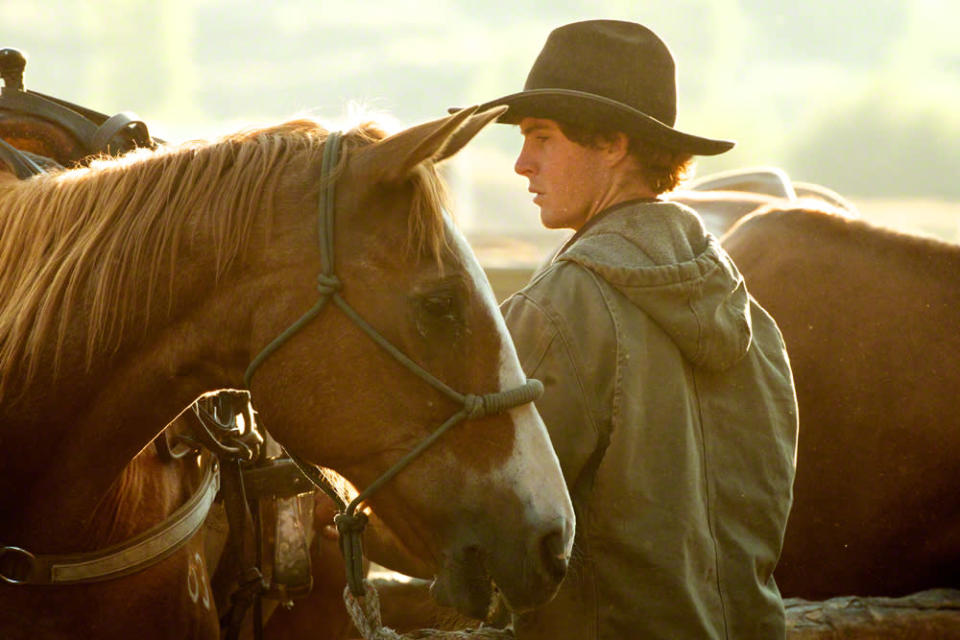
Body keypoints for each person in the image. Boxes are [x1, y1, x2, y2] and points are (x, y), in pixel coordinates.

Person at [469, 20, 799, 639]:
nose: (520, 163)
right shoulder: (755, 322)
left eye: (541, 137)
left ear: (613, 143)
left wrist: (354, 516)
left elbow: (488, 531)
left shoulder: (556, 309)